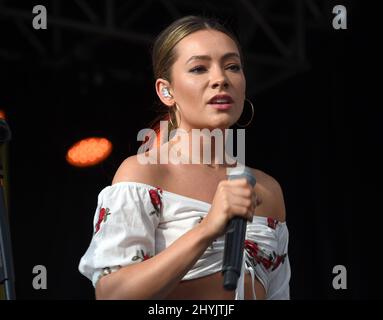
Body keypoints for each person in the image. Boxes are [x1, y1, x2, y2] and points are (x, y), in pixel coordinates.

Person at [78, 15, 290, 300]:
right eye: (199, 68)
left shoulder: (267, 190)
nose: (220, 79)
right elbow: (112, 294)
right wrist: (208, 228)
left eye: (232, 67)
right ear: (167, 90)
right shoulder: (145, 173)